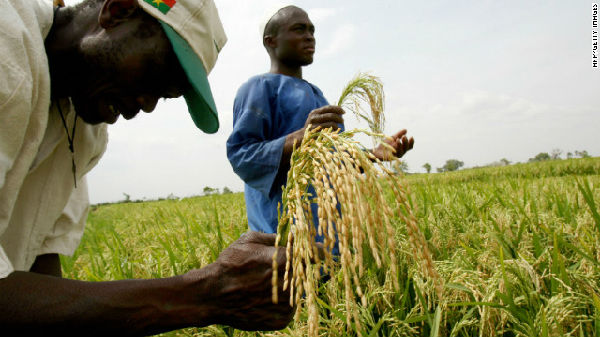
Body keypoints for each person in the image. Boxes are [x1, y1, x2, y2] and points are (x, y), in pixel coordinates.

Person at [0, 0, 293, 334]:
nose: (148, 105)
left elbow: (40, 270)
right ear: (118, 10)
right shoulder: (8, 42)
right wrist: (209, 294)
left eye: (165, 95)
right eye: (157, 73)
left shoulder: (83, 133)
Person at [226, 6, 415, 237]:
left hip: (330, 239)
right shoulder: (258, 89)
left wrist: (374, 154)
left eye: (312, 30)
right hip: (282, 240)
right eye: (299, 29)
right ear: (271, 41)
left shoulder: (318, 95)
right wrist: (302, 137)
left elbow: (333, 160)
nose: (309, 36)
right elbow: (242, 156)